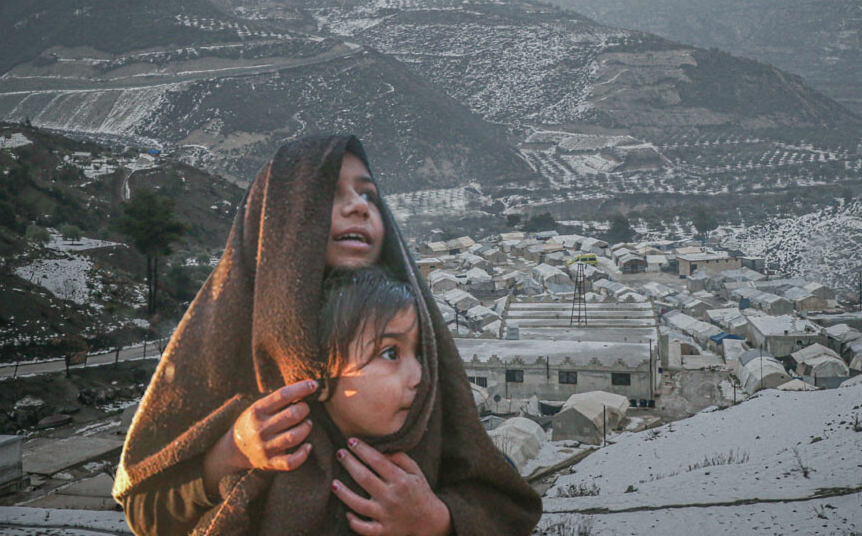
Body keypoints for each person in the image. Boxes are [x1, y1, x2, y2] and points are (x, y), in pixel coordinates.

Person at [113, 136, 541, 535]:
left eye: (368, 194)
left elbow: (503, 503)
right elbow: (144, 511)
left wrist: (438, 520)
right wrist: (228, 454)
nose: (358, 206)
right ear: (279, 223)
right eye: (329, 196)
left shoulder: (417, 349)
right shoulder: (218, 350)